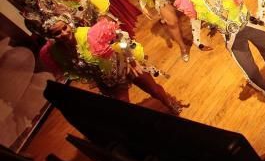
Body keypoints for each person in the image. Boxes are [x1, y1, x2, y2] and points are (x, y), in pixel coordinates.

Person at [40, 15, 187, 115]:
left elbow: (122, 38)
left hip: (125, 65)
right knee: (124, 109)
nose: (64, 33)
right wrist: (99, 80)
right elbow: (76, 70)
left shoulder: (89, 34)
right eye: (57, 33)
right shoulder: (57, 53)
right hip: (108, 81)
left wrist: (131, 60)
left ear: (69, 25)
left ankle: (170, 104)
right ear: (51, 37)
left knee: (154, 89)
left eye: (64, 28)